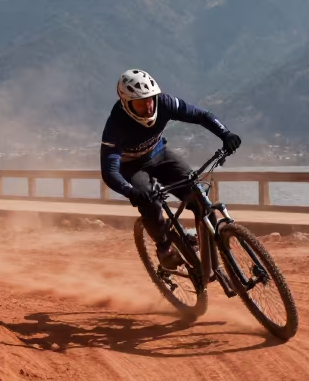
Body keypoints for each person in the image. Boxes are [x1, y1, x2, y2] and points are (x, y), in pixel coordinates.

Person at [100, 69, 242, 270]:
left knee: (199, 197)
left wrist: (225, 134)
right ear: (126, 103)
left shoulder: (164, 103)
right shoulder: (116, 125)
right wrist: (130, 191)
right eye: (141, 103)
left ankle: (210, 257)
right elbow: (109, 170)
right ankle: (164, 247)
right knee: (149, 199)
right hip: (131, 167)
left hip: (160, 155)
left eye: (150, 99)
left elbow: (201, 115)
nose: (148, 107)